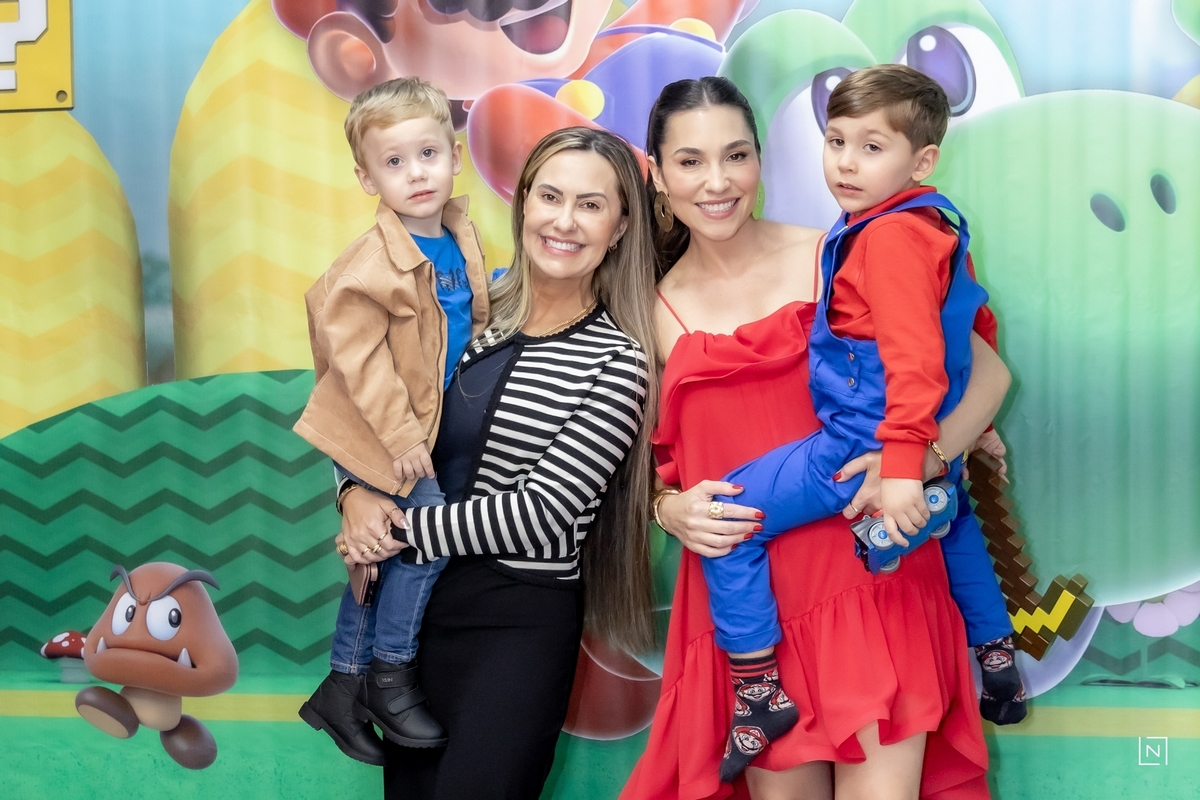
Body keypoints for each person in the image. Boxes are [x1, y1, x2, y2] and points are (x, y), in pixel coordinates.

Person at [623, 77, 1007, 799]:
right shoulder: (644, 311)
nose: (717, 182)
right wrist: (666, 509)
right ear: (658, 172)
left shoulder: (837, 252)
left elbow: (985, 374)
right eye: (691, 161)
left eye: (736, 155)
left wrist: (921, 460)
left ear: (760, 160)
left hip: (870, 580)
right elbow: (635, 468)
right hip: (753, 618)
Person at [336, 127, 660, 799]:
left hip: (516, 627)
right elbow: (371, 405)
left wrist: (395, 531)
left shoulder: (618, 360)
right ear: (523, 203)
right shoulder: (463, 314)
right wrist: (352, 496)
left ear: (621, 226)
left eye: (591, 205)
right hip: (412, 621)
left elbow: (543, 513)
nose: (564, 221)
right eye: (550, 196)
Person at [293, 76, 489, 764]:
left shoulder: (458, 236)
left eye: (428, 154)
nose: (416, 174)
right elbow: (360, 365)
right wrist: (402, 438)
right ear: (366, 178)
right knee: (424, 535)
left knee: (378, 552)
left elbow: (465, 328)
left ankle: (341, 684)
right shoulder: (373, 264)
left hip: (419, 426)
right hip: (378, 428)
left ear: (455, 156)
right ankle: (389, 673)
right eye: (394, 162)